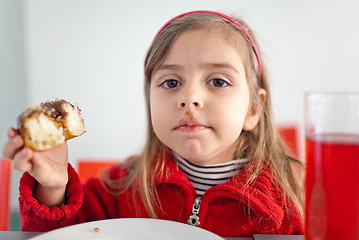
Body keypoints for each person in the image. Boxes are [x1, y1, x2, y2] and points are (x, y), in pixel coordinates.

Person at [2, 10, 304, 237]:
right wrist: (53, 188)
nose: (190, 98)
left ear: (253, 108)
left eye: (217, 81)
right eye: (171, 82)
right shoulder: (120, 188)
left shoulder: (293, 199)